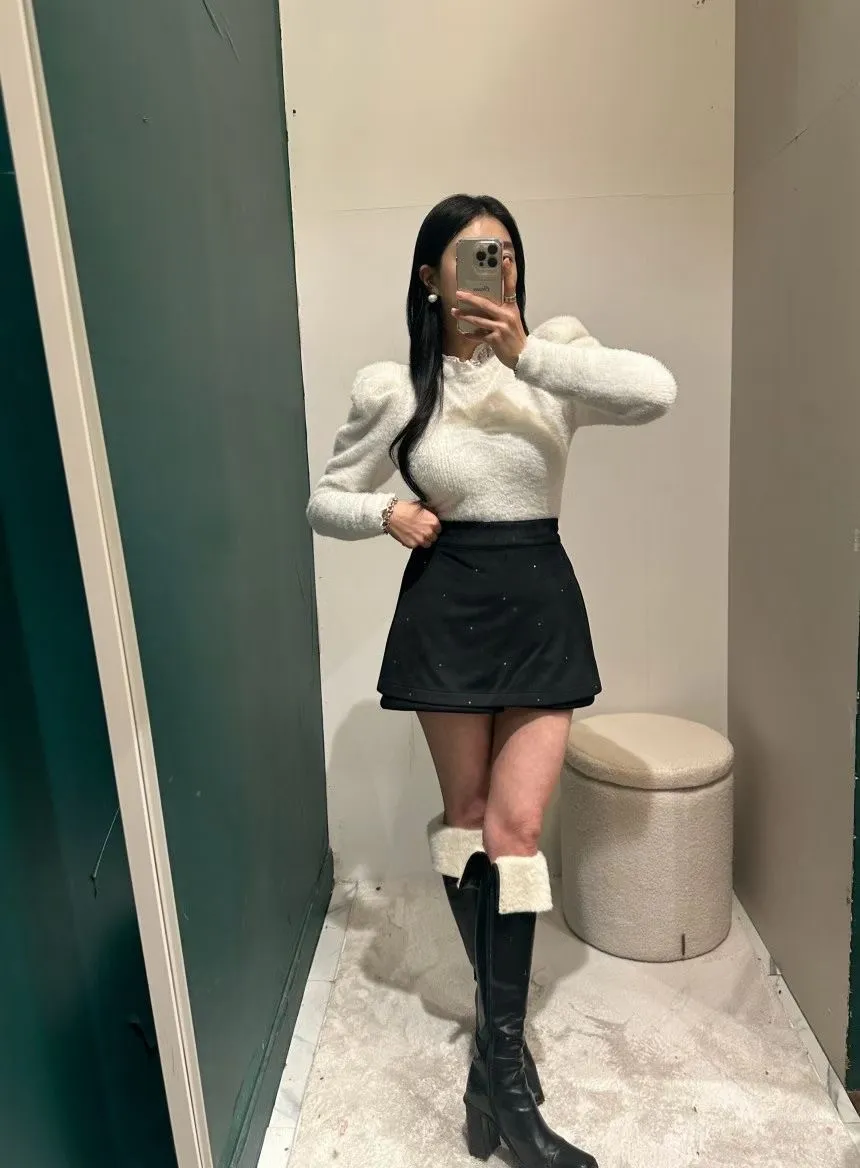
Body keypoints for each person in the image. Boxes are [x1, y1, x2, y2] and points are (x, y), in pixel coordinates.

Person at [307, 193, 676, 1168]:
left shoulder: (554, 355)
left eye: (504, 253)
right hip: (446, 607)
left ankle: (496, 1075)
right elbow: (325, 498)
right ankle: (504, 1070)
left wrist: (527, 353)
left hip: (540, 603)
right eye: (472, 255)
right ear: (430, 276)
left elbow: (656, 390)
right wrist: (384, 514)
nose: (493, 269)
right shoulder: (397, 387)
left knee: (517, 831)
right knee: (469, 819)